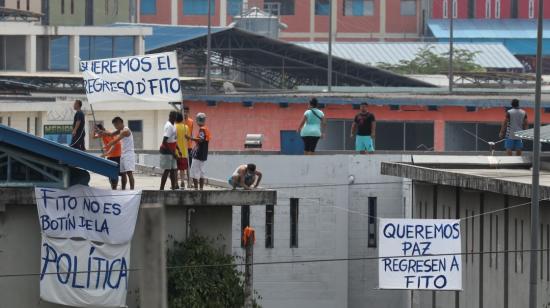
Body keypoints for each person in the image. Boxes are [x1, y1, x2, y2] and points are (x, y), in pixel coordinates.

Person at [100, 117, 136, 190]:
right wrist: (101, 131)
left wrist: (108, 145)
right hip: (123, 154)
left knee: (129, 173)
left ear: (119, 123)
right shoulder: (120, 130)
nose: (115, 127)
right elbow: (111, 134)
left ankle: (132, 190)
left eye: (115, 125)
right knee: (123, 173)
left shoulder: (125, 130)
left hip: (129, 154)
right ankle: (123, 189)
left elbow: (116, 139)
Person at [93, 124, 122, 190]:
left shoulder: (108, 134)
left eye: (98, 131)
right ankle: (113, 186)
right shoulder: (102, 134)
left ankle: (114, 187)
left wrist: (106, 153)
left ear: (101, 130)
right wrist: (94, 130)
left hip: (116, 154)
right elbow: (94, 137)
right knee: (110, 172)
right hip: (110, 155)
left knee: (115, 172)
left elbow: (115, 144)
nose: (97, 133)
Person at [160, 111, 182, 190]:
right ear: (170, 116)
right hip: (167, 151)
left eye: (175, 116)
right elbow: (164, 141)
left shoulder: (174, 125)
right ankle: (161, 188)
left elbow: (174, 140)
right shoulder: (169, 126)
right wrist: (173, 153)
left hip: (172, 151)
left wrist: (178, 149)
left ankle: (173, 187)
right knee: (167, 170)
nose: (175, 118)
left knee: (173, 170)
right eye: (174, 116)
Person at [190, 113, 210, 190]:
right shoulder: (206, 129)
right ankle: (201, 189)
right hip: (204, 154)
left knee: (194, 171)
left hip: (199, 154)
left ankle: (196, 189)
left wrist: (191, 138)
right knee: (201, 172)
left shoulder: (202, 129)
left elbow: (201, 140)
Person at [175, 112, 190, 189]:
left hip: (175, 152)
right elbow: (188, 138)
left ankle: (176, 183)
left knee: (175, 169)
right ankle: (183, 181)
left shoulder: (174, 127)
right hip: (184, 152)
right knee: (182, 169)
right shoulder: (186, 127)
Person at [184, 105, 194, 187]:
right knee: (181, 165)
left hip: (189, 146)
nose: (185, 113)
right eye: (184, 111)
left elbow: (191, 133)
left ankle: (189, 183)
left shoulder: (191, 121)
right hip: (181, 147)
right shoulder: (179, 121)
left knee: (189, 165)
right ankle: (182, 182)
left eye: (187, 112)